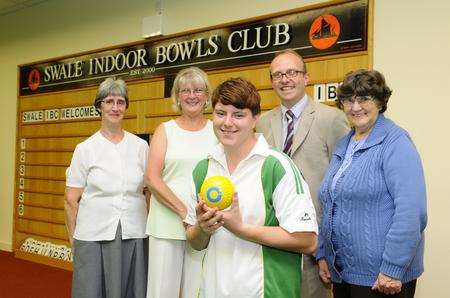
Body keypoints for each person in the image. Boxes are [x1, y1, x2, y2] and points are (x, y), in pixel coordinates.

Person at [185, 77, 318, 298]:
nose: (227, 122)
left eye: (238, 115)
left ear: (255, 118)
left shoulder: (277, 166)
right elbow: (195, 242)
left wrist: (241, 229)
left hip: (266, 291)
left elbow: (308, 240)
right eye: (220, 113)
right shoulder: (203, 168)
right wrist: (202, 227)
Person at [316, 69, 427, 298]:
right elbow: (330, 203)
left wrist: (392, 268)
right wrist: (323, 253)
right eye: (348, 100)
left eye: (364, 98)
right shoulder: (343, 144)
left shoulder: (395, 142)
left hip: (381, 279)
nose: (355, 107)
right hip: (343, 274)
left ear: (379, 101)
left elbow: (411, 212)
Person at [256, 49, 349, 298]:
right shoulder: (263, 123)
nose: (285, 79)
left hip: (315, 238)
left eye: (292, 73)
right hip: (274, 235)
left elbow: (342, 184)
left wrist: (329, 246)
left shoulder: (332, 118)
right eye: (278, 75)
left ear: (306, 78)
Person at [64, 77, 149, 298]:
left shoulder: (141, 147)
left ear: (126, 107)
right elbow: (71, 199)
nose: (115, 107)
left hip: (134, 231)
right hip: (92, 234)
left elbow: (148, 191)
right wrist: (73, 238)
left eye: (121, 102)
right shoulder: (85, 149)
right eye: (109, 101)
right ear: (99, 106)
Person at [145, 67, 217, 298]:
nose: (192, 95)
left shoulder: (218, 131)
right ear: (177, 96)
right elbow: (152, 179)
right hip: (166, 224)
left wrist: (198, 218)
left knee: (197, 291)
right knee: (161, 292)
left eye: (198, 90)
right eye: (185, 90)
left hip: (204, 226)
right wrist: (185, 212)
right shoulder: (164, 130)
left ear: (207, 95)